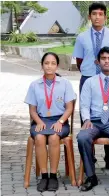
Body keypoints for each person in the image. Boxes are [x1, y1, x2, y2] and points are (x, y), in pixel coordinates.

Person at [72, 2, 109, 171]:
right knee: (87, 116)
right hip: (88, 79)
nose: (97, 17)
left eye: (101, 14)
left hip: (108, 79)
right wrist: (90, 73)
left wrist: (107, 72)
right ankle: (90, 159)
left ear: (105, 17)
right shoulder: (82, 37)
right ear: (89, 17)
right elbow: (79, 61)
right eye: (94, 14)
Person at [77, 47, 109, 192]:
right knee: (82, 137)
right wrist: (86, 119)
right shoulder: (90, 82)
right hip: (94, 121)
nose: (106, 61)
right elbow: (84, 105)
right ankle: (91, 176)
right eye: (103, 58)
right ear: (97, 62)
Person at [25, 52, 76, 192]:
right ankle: (44, 176)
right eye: (46, 63)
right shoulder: (34, 85)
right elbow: (32, 110)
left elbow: (69, 108)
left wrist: (60, 121)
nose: (49, 66)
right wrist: (38, 121)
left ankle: (53, 176)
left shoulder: (65, 84)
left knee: (54, 137)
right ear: (42, 66)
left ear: (57, 66)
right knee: (40, 137)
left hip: (60, 120)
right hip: (40, 120)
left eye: (53, 63)